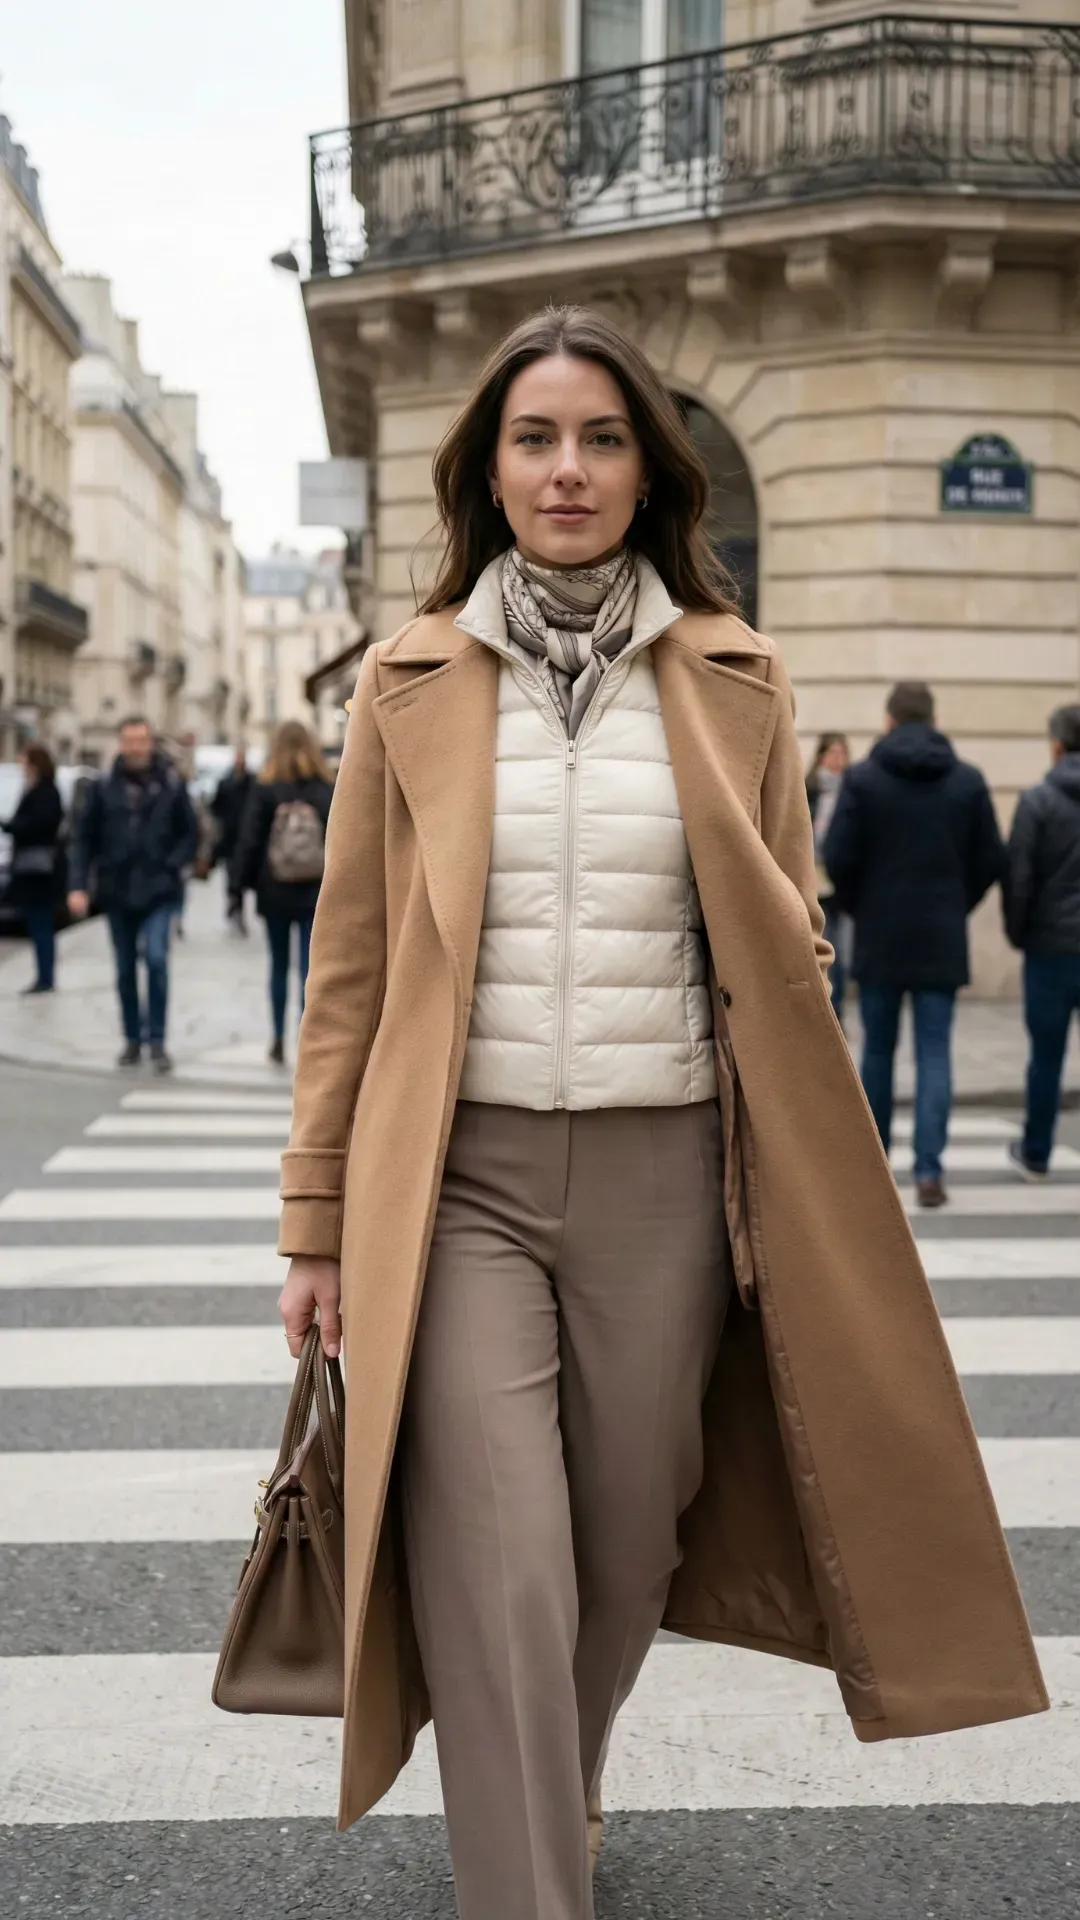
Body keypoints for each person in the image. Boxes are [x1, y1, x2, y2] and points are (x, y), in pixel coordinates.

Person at [272, 308, 1044, 1920]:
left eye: (602, 438)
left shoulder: (734, 674)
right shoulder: (408, 685)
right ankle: (530, 1885)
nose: (568, 469)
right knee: (502, 1561)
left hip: (667, 1181)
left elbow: (779, 934)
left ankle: (563, 1780)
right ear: (489, 470)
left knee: (626, 1555)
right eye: (536, 438)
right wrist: (315, 1222)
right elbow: (345, 974)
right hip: (461, 1181)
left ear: (648, 469)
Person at [824, 680, 1004, 1209]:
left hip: (880, 934)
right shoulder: (967, 781)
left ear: (889, 721)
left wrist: (862, 907)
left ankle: (877, 1166)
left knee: (877, 1049)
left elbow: (838, 859)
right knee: (934, 1053)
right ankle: (929, 1172)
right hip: (941, 937)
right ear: (933, 719)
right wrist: (956, 904)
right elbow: (991, 859)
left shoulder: (862, 781)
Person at [68, 715, 197, 1072]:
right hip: (118, 891)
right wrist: (78, 885)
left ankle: (157, 1040)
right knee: (125, 969)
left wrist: (174, 865)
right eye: (129, 741)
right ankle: (132, 1039)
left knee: (156, 959)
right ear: (120, 744)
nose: (135, 748)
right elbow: (83, 839)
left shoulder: (170, 783)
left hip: (159, 890)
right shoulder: (103, 785)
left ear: (150, 743)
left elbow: (190, 832)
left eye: (141, 741)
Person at [1003, 703, 1080, 1178]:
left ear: (1055, 745)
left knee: (1046, 1058)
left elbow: (1020, 877)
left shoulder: (1037, 801)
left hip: (1050, 949)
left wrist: (1019, 933)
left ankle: (1037, 1151)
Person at [231, 721, 332, 1065]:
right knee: (308, 969)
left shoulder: (266, 787)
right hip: (313, 890)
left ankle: (276, 1036)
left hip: (273, 889)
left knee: (277, 964)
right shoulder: (324, 787)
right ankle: (307, 1038)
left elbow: (249, 840)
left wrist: (237, 888)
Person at [3, 742, 64, 995]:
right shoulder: (36, 789)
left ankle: (45, 977)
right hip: (31, 868)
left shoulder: (45, 792)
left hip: (38, 870)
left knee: (41, 923)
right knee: (37, 922)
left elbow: (37, 825)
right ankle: (44, 975)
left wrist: (11, 825)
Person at [805, 731, 850, 1020]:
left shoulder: (853, 790)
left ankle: (837, 1009)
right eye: (832, 752)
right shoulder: (807, 788)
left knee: (840, 951)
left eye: (842, 753)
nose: (837, 759)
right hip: (812, 878)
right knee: (815, 946)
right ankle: (820, 1008)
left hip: (840, 881)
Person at [212, 747, 254, 932]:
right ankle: (232, 904)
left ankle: (237, 909)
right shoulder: (225, 782)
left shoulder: (252, 782)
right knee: (231, 876)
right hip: (229, 838)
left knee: (240, 878)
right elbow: (216, 807)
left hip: (245, 838)